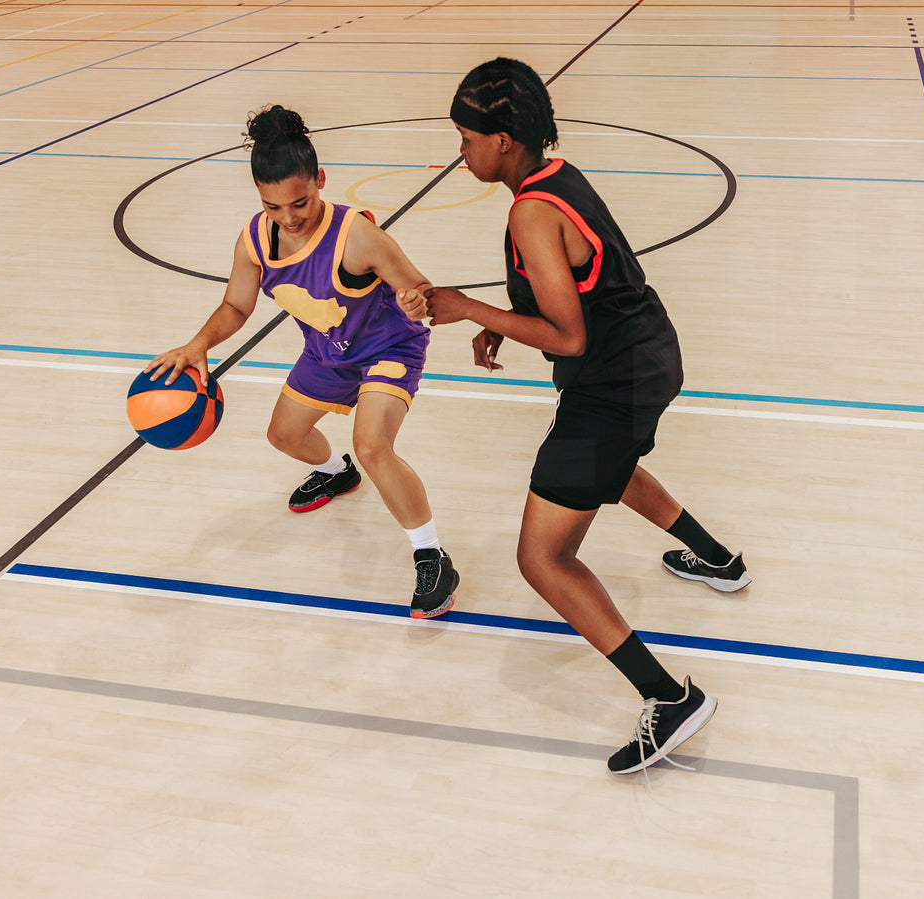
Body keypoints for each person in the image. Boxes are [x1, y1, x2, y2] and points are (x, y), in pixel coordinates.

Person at [400, 58, 749, 774]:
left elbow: (568, 336)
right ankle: (718, 558)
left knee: (542, 556)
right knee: (607, 469)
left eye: (466, 139)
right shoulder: (555, 178)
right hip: (648, 356)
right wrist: (502, 325)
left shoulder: (529, 212)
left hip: (613, 382)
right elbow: (572, 287)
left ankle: (670, 697)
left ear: (502, 141)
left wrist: (470, 309)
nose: (460, 151)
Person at [147, 104, 458, 619]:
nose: (289, 217)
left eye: (300, 202)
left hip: (388, 347)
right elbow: (235, 306)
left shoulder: (356, 236)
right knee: (284, 435)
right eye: (273, 206)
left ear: (320, 180)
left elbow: (425, 293)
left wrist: (415, 302)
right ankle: (338, 474)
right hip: (328, 351)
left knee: (373, 445)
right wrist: (197, 344)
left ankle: (432, 555)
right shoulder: (254, 239)